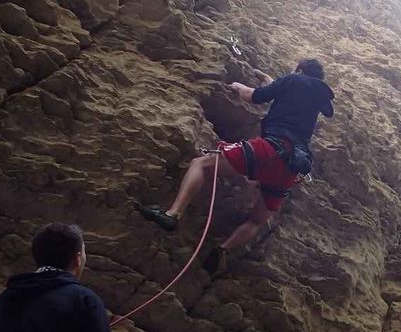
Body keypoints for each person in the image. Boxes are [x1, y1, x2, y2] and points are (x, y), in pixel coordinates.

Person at [141, 57, 334, 274]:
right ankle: (222, 249)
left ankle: (172, 214)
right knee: (257, 220)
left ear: (299, 70)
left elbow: (254, 96)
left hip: (270, 149)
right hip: (291, 167)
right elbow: (284, 94)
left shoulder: (294, 80)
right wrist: (268, 80)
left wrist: (239, 87)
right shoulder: (316, 99)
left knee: (201, 164)